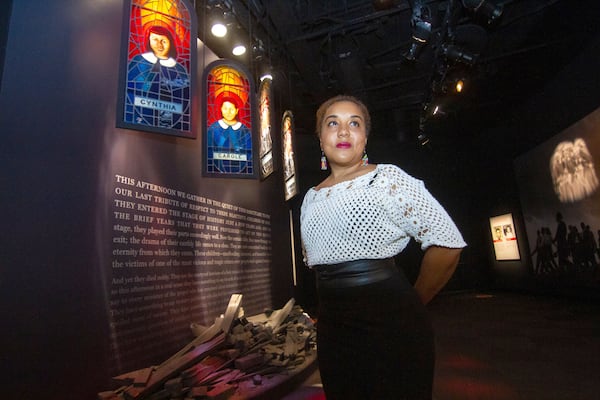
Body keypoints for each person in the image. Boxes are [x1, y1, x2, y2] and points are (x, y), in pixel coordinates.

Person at [300, 95, 466, 399]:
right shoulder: (310, 198)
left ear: (365, 137)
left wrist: (413, 303)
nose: (344, 131)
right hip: (333, 331)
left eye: (355, 123)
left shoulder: (386, 178)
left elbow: (447, 244)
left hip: (391, 324)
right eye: (332, 123)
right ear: (320, 137)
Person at [126, 25, 190, 129]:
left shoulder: (179, 69)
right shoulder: (139, 61)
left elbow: (184, 98)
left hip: (171, 119)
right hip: (139, 116)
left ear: (171, 43)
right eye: (155, 39)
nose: (159, 44)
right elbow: (129, 91)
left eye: (163, 41)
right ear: (149, 40)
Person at [206, 97, 252, 173]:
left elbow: (249, 152)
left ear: (237, 111)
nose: (228, 112)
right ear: (221, 109)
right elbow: (209, 151)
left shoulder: (244, 130)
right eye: (225, 109)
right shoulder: (214, 128)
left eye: (231, 109)